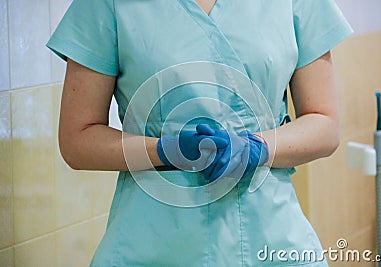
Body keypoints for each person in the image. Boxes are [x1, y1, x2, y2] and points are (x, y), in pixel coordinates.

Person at [47, 0, 353, 266]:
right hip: (153, 239)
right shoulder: (107, 5)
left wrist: (257, 147)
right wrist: (163, 151)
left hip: (271, 234)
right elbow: (78, 140)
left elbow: (324, 123)